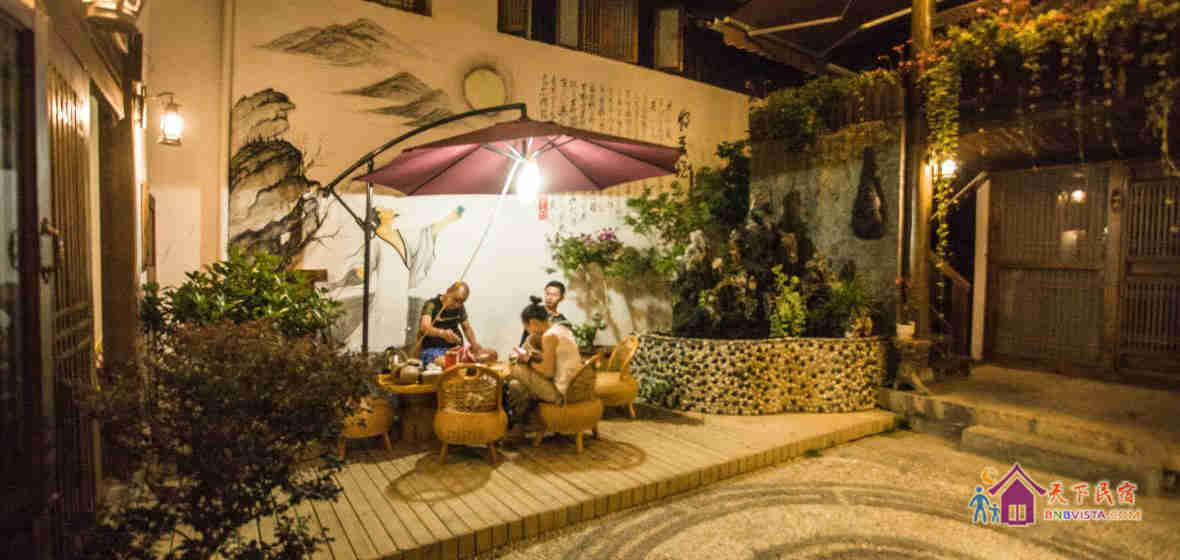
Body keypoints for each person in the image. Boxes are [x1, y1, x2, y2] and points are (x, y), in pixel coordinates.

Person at [505, 296, 582, 428]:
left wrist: (528, 360)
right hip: (572, 388)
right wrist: (537, 357)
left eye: (527, 327)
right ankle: (520, 426)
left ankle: (513, 424)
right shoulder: (561, 328)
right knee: (516, 385)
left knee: (514, 366)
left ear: (533, 322)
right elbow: (556, 360)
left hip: (561, 394)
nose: (529, 332)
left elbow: (548, 372)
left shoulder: (548, 336)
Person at [418, 281, 484, 366]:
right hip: (433, 349)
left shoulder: (460, 307)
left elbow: (466, 328)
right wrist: (442, 333)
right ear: (448, 291)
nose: (457, 305)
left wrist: (474, 344)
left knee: (481, 358)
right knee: (446, 362)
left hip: (454, 349)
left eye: (461, 302)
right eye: (455, 300)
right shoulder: (432, 304)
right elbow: (424, 327)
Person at [519, 280, 569, 347]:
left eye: (554, 295)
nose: (549, 298)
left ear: (562, 298)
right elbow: (524, 339)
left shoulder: (563, 322)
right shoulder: (535, 312)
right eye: (547, 294)